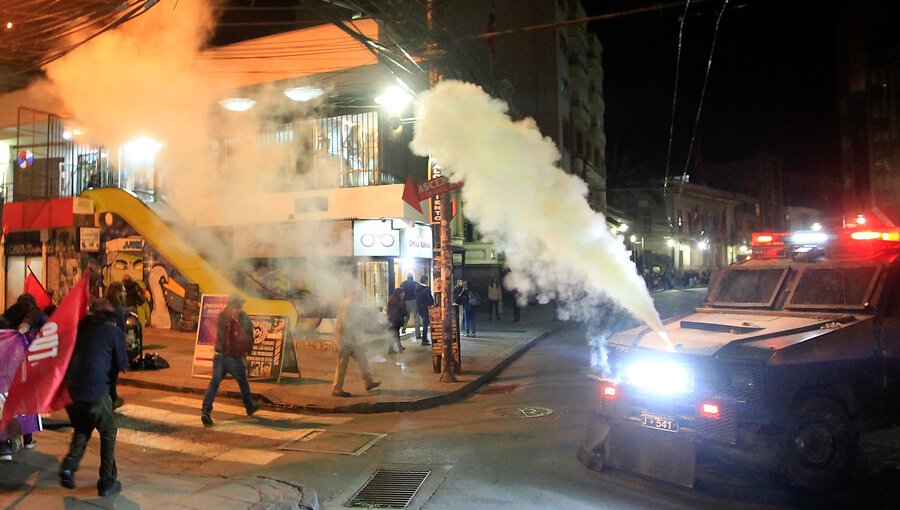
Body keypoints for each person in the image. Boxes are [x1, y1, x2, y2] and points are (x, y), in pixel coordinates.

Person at [59, 299, 127, 497]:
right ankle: (107, 480)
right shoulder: (112, 332)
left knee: (83, 426)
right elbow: (122, 363)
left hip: (71, 392)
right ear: (112, 318)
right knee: (108, 431)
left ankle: (68, 468)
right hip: (95, 391)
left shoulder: (80, 327)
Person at [200, 294, 260, 427]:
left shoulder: (222, 315)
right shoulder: (240, 314)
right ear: (237, 303)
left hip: (219, 354)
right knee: (243, 381)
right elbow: (249, 330)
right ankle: (249, 407)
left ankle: (206, 411)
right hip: (233, 356)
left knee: (214, 383)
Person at [0, 294, 46, 461]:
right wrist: (23, 329)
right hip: (20, 363)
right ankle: (24, 440)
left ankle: (5, 446)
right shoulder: (33, 310)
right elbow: (31, 318)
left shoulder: (9, 313)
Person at [331, 293, 381, 397]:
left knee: (362, 359)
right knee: (342, 364)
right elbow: (346, 324)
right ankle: (337, 389)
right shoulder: (348, 307)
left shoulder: (351, 306)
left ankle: (369, 382)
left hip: (351, 339)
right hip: (344, 339)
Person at [105, 282, 128, 409]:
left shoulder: (102, 306)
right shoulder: (118, 310)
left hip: (103, 347)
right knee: (112, 378)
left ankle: (110, 399)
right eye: (123, 291)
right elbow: (121, 331)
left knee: (107, 377)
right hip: (113, 348)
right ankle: (111, 401)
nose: (125, 293)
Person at [386, 288, 407, 354]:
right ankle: (393, 348)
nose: (404, 294)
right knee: (395, 334)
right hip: (396, 319)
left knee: (394, 334)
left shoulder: (391, 299)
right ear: (400, 294)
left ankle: (397, 347)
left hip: (391, 318)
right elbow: (403, 311)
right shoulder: (399, 301)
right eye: (403, 293)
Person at [415, 275, 435, 346]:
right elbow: (430, 299)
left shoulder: (417, 288)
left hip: (419, 308)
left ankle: (425, 338)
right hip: (425, 308)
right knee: (425, 324)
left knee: (425, 323)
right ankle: (424, 339)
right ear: (426, 280)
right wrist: (432, 302)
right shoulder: (426, 289)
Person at [400, 272, 420, 337]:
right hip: (414, 301)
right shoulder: (416, 284)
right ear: (412, 276)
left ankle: (403, 328)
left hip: (405, 301)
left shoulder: (403, 284)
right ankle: (417, 334)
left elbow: (401, 293)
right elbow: (418, 293)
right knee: (416, 317)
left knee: (406, 316)